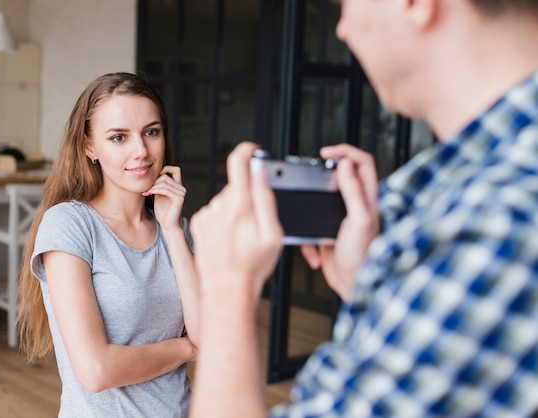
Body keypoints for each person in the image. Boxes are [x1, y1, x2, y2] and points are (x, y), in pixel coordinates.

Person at [189, 1, 538, 417]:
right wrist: (373, 284)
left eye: (346, 5)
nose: (342, 29)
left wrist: (227, 288)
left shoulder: (496, 221)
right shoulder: (459, 176)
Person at [16, 72, 199, 417]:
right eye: (119, 137)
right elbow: (97, 371)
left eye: (151, 132)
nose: (141, 151)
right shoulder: (70, 225)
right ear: (89, 146)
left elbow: (209, 337)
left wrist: (172, 230)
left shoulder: (179, 231)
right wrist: (186, 349)